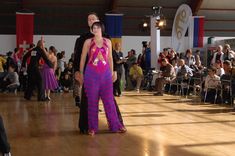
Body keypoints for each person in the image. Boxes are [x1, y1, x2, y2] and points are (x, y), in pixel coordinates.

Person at [74, 12, 124, 133]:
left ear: (99, 23)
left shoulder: (107, 38)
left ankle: (118, 124)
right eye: (89, 20)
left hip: (105, 74)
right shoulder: (82, 39)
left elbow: (112, 57)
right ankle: (87, 127)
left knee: (110, 100)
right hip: (89, 75)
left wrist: (115, 71)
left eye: (93, 19)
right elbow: (78, 57)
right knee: (88, 102)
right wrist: (77, 72)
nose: (91, 21)